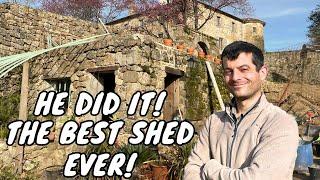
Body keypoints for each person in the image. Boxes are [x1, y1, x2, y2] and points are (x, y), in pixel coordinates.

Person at [183, 41, 299, 180]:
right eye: (229, 71)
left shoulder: (280, 123)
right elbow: (192, 169)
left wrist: (210, 168)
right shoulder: (214, 121)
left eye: (244, 69)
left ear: (262, 73)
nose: (235, 77)